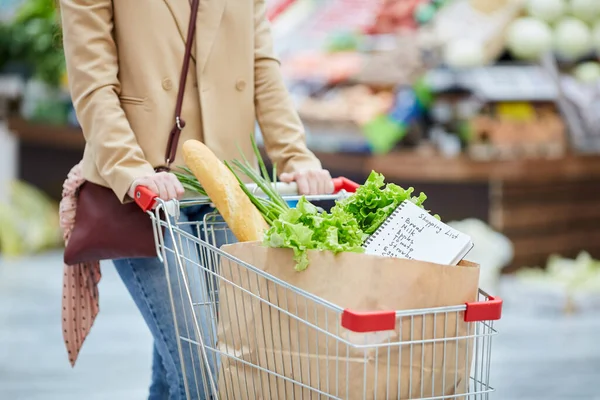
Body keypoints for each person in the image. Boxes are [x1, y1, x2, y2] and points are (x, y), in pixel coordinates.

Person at [59, 1, 333, 399]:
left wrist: (295, 155)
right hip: (144, 196)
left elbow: (262, 65)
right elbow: (93, 81)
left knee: (190, 372)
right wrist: (130, 166)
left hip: (226, 188)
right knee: (206, 376)